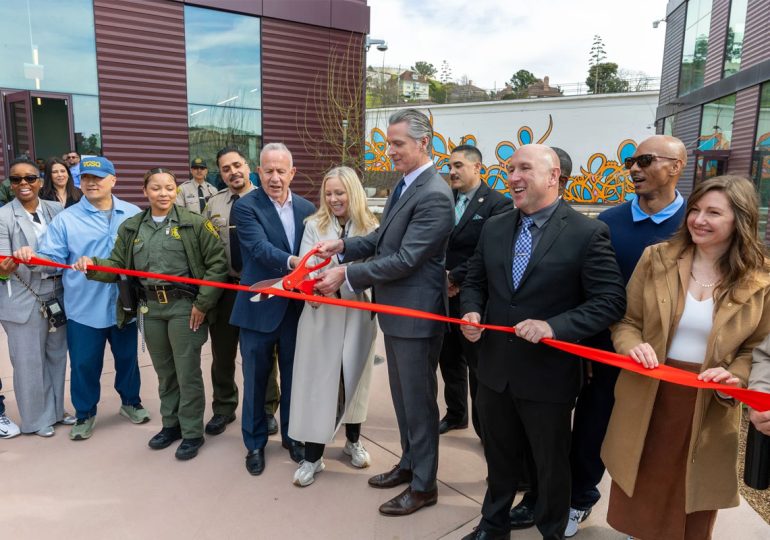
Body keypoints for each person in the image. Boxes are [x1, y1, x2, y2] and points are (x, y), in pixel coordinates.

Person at [509, 136, 688, 537]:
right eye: (630, 162)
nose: (634, 169)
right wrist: (585, 348)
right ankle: (579, 499)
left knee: (661, 439)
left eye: (645, 161)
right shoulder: (609, 221)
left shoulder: (693, 223)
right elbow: (588, 292)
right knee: (591, 430)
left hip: (671, 358)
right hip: (607, 350)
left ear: (676, 166)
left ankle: (645, 515)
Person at [459, 144, 626, 540]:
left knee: (550, 465)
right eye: (510, 169)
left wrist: (555, 326)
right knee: (499, 457)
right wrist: (471, 312)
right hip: (495, 368)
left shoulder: (587, 232)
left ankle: (551, 530)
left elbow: (610, 301)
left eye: (524, 169)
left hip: (547, 376)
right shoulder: (496, 226)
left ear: (553, 177)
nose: (513, 177)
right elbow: (476, 282)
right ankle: (493, 524)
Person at [601, 175, 770, 540]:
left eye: (713, 212)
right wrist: (632, 345)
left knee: (691, 493)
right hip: (648, 392)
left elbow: (756, 349)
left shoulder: (761, 280)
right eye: (695, 209)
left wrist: (736, 379)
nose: (698, 219)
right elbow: (626, 321)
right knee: (642, 484)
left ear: (740, 220)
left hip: (708, 403)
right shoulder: (657, 258)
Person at [315, 108, 454, 516]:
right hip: (396, 312)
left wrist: (346, 273)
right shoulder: (407, 185)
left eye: (397, 144)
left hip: (416, 315)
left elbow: (407, 258)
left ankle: (425, 485)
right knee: (403, 399)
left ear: (423, 143)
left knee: (419, 403)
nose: (389, 151)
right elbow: (382, 238)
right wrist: (343, 246)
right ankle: (410, 464)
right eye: (388, 143)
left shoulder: (433, 194)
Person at [74, 167, 228, 460]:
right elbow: (118, 265)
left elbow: (217, 264)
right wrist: (92, 265)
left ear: (177, 191)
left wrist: (203, 303)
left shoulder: (194, 224)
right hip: (150, 308)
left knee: (187, 372)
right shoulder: (133, 227)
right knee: (164, 372)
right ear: (145, 191)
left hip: (186, 308)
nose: (164, 193)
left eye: (169, 187)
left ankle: (192, 431)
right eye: (156, 188)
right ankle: (171, 425)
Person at [14, 156, 150, 441]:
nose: (91, 183)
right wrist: (32, 257)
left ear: (113, 180)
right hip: (83, 307)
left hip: (124, 304)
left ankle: (131, 403)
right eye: (86, 178)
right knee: (85, 363)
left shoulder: (133, 213)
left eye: (98, 178)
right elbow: (52, 259)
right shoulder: (67, 218)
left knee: (127, 359)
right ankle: (86, 414)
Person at [288, 166, 380, 487]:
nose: (334, 198)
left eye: (340, 192)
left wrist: (345, 276)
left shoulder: (372, 226)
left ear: (353, 192)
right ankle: (313, 456)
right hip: (321, 314)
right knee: (319, 382)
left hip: (358, 312)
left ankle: (353, 441)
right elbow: (306, 264)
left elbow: (373, 267)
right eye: (329, 193)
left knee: (354, 378)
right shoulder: (314, 225)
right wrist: (314, 286)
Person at [229, 142, 315, 476]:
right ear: (258, 171)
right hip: (258, 309)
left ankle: (294, 439)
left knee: (296, 379)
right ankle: (254, 444)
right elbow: (259, 248)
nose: (275, 178)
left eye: (281, 171)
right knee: (255, 380)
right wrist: (296, 262)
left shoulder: (308, 208)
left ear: (292, 172)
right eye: (268, 170)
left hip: (295, 311)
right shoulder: (246, 207)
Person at [202, 146, 281, 437]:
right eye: (225, 168)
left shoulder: (267, 200)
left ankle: (266, 408)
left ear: (248, 167)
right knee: (222, 355)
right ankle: (224, 408)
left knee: (261, 354)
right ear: (220, 174)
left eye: (237, 165)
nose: (233, 172)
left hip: (258, 290)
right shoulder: (213, 204)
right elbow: (208, 248)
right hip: (226, 290)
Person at [439, 144, 510, 437]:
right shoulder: (443, 199)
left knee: (477, 364)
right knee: (448, 358)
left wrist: (455, 277)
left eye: (458, 166)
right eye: (450, 167)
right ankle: (456, 414)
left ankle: (485, 428)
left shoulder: (498, 204)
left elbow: (489, 251)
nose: (452, 172)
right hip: (442, 293)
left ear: (477, 167)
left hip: (473, 297)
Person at [0, 157, 72, 437]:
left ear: (41, 182)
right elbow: (3, 266)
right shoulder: (4, 216)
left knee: (56, 355)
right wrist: (10, 264)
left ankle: (55, 411)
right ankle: (36, 419)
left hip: (56, 291)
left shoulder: (56, 209)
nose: (23, 184)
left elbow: (68, 246)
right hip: (22, 295)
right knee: (29, 362)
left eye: (29, 178)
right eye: (16, 179)